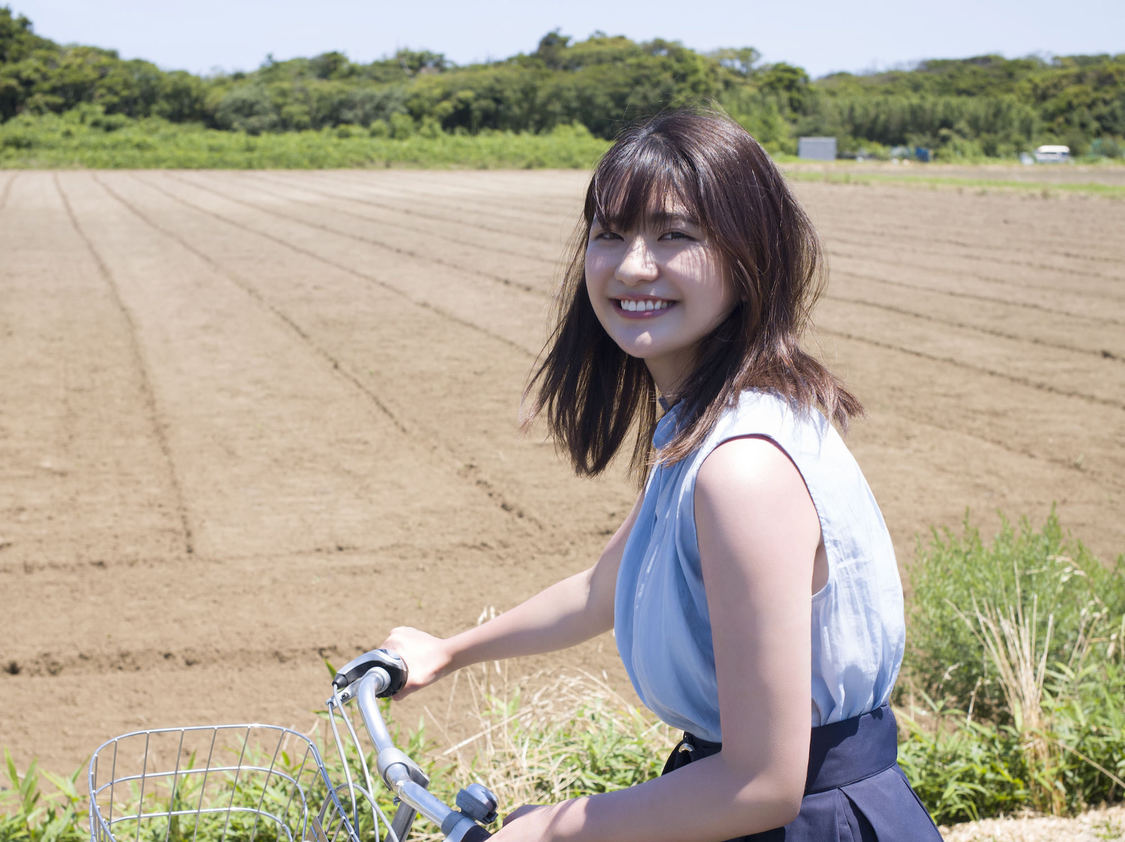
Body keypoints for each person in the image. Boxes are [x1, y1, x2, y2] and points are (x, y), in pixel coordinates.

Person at [378, 109, 943, 841]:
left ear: (750, 258)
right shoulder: (706, 420)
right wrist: (446, 651)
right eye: (609, 232)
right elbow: (603, 587)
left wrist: (549, 828)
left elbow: (760, 783)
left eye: (675, 235)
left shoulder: (741, 467)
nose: (632, 265)